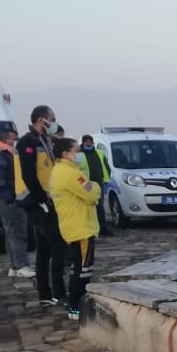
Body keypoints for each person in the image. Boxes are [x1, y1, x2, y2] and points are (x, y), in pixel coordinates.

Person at [16, 105, 68, 306]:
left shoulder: (44, 141)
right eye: (52, 119)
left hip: (49, 199)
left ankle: (45, 294)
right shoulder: (27, 142)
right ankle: (58, 292)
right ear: (41, 120)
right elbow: (28, 174)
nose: (54, 122)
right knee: (59, 244)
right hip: (35, 201)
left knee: (44, 249)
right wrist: (42, 199)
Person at [49, 137, 103, 321]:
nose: (79, 154)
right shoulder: (70, 174)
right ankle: (76, 308)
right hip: (81, 228)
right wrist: (95, 187)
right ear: (66, 153)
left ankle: (76, 306)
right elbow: (92, 193)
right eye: (76, 150)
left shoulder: (60, 170)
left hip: (72, 226)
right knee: (82, 271)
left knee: (77, 269)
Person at [0, 130, 34, 278]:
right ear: (6, 139)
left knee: (11, 232)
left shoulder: (6, 154)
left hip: (6, 198)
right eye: (14, 139)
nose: (16, 141)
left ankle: (14, 266)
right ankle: (22, 265)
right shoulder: (0, 155)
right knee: (18, 232)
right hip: (8, 199)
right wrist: (8, 198)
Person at [79, 135, 114, 236]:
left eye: (90, 141)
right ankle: (89, 229)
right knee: (88, 208)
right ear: (83, 143)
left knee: (100, 207)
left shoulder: (100, 153)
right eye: (86, 142)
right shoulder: (79, 155)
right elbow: (76, 170)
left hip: (99, 184)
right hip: (86, 185)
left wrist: (106, 179)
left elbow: (107, 167)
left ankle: (102, 228)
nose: (88, 143)